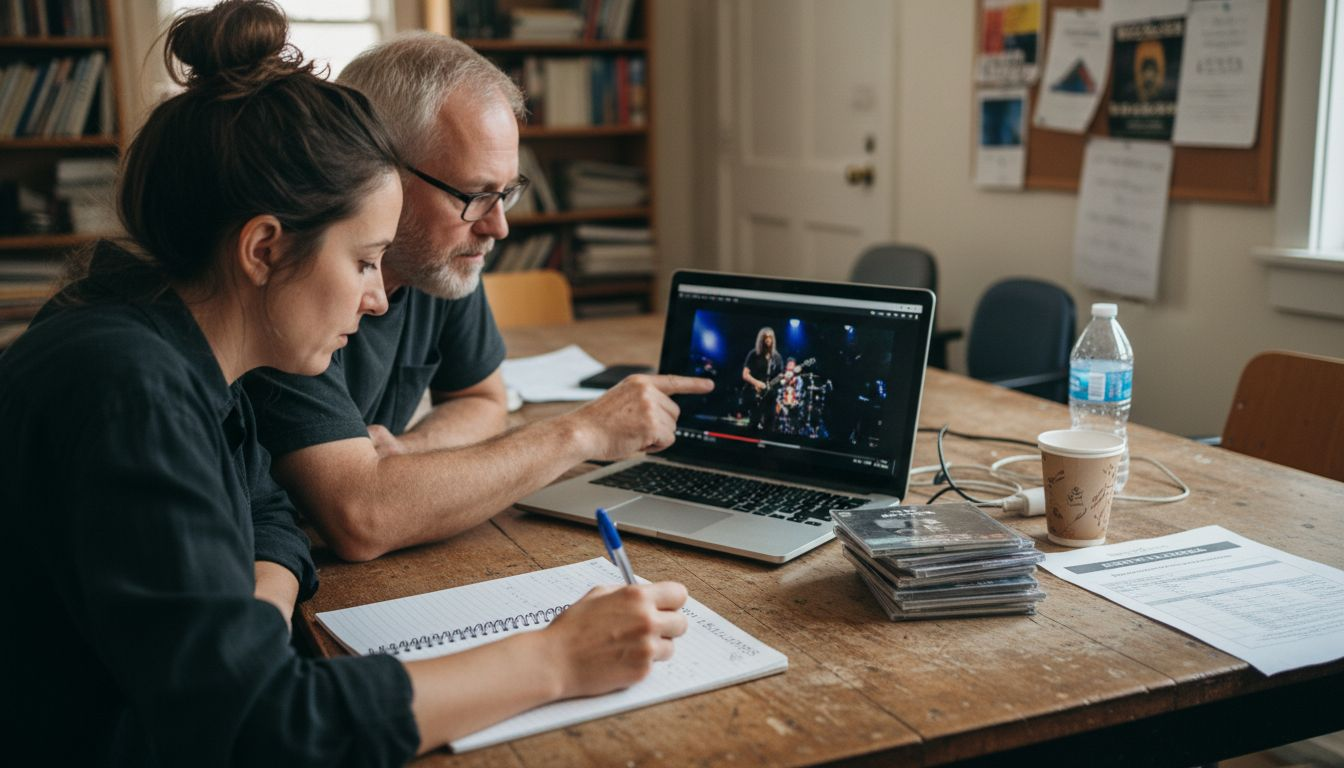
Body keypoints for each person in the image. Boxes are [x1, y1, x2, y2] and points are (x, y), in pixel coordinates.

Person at [0, 2, 686, 763]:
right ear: (263, 248)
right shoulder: (129, 388)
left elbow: (268, 514)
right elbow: (263, 723)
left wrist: (252, 624)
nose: (380, 298)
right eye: (364, 261)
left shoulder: (188, 347)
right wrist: (553, 660)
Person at [244, 34, 712, 562]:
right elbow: (364, 518)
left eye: (507, 191)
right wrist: (582, 432)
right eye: (474, 194)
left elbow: (483, 400)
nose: (499, 225)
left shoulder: (441, 258)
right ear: (377, 171)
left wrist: (413, 456)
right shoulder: (295, 286)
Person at [741, 326, 782, 429]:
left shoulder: (777, 357)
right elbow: (745, 375)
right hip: (755, 394)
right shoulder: (754, 354)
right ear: (761, 339)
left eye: (770, 337)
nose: (768, 339)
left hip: (770, 396)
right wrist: (757, 383)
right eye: (765, 337)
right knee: (754, 422)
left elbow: (780, 376)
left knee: (770, 423)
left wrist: (786, 377)